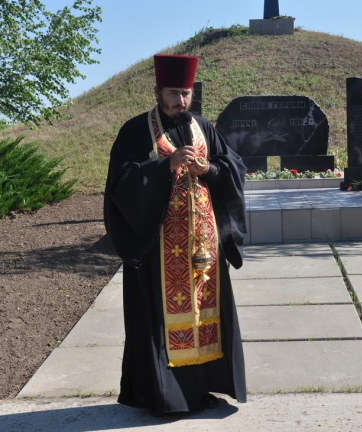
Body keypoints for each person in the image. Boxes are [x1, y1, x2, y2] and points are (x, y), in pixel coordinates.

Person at [103, 54, 247, 415]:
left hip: (204, 247)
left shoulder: (204, 127)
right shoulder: (136, 131)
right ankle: (166, 397)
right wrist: (165, 165)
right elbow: (121, 183)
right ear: (157, 91)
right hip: (159, 249)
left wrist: (208, 168)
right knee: (162, 321)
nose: (180, 101)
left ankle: (203, 389)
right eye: (172, 93)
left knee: (205, 315)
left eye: (185, 93)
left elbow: (233, 168)